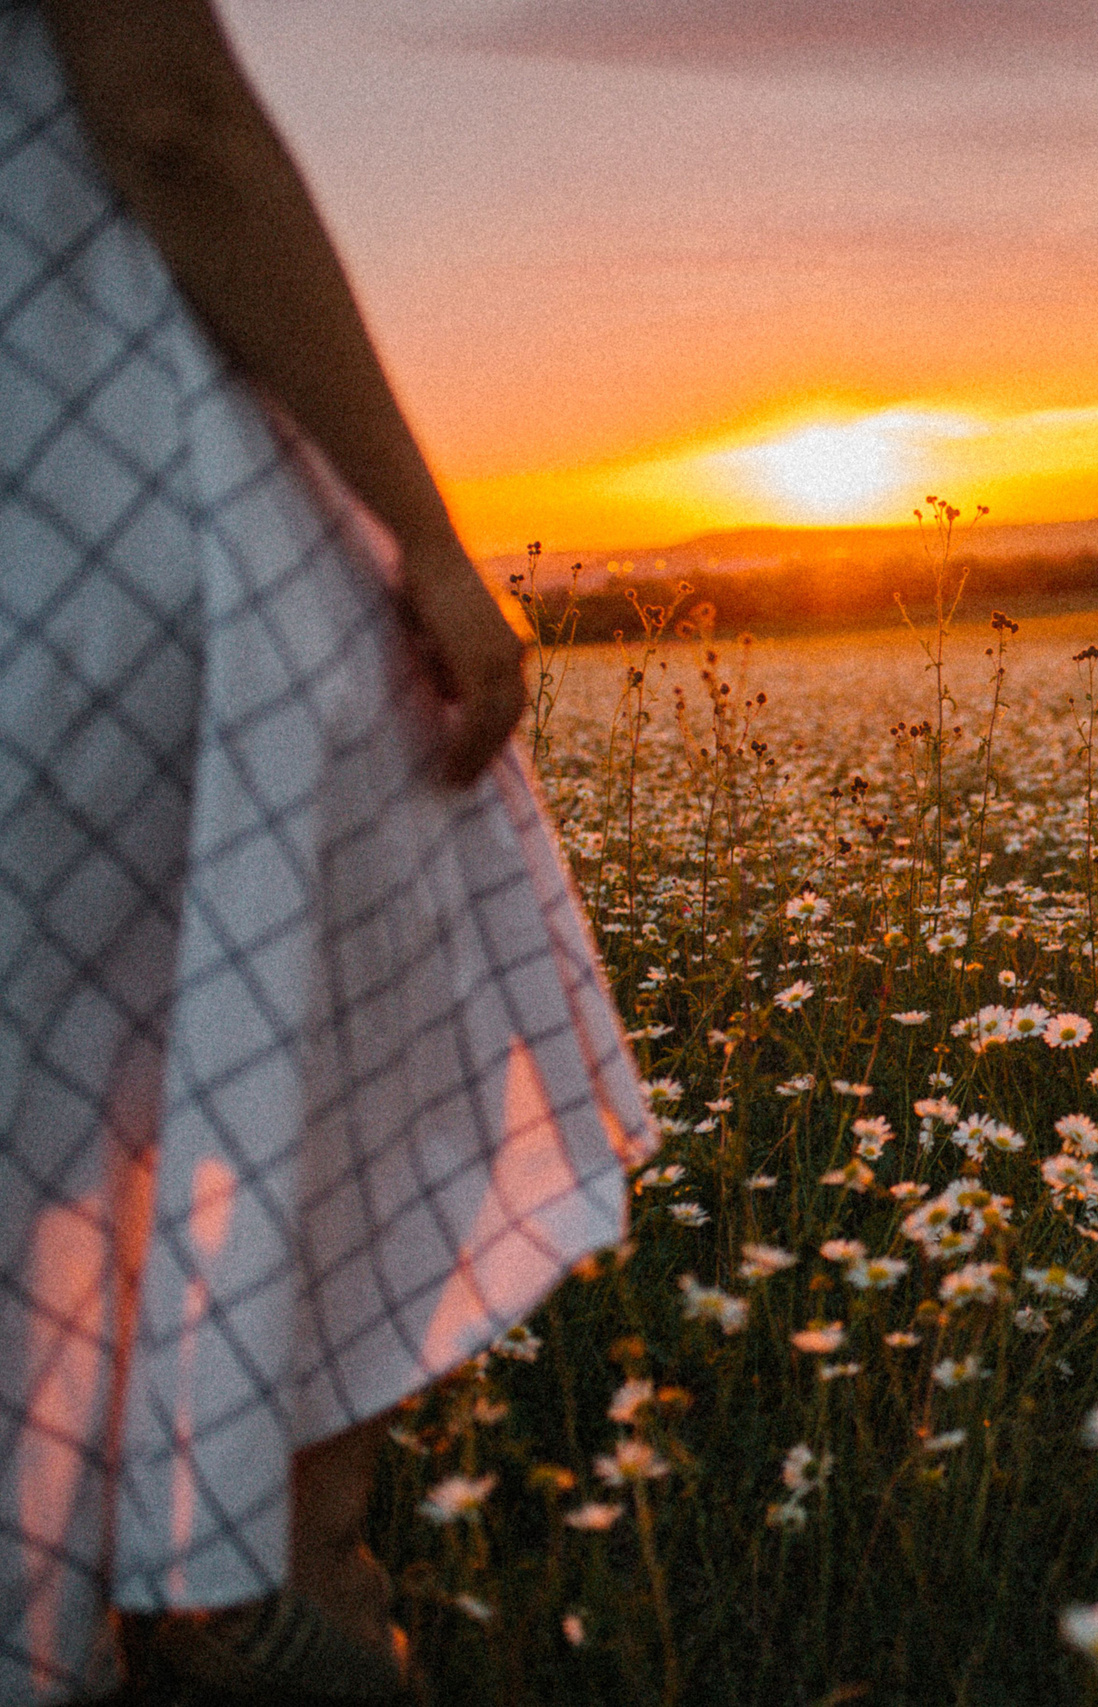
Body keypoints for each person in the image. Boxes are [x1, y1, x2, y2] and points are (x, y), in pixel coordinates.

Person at [0, 2, 656, 1701]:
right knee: (287, 1166)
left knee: (57, 1211)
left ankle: (150, 1590)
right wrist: (431, 544)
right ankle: (266, 1605)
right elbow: (171, 118)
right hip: (135, 565)